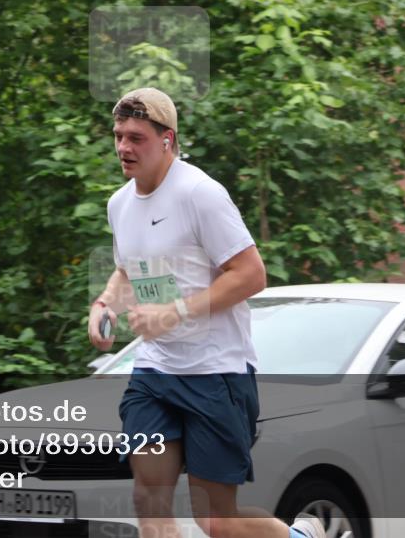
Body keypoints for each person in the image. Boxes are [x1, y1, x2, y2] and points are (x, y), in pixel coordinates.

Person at [88, 88, 326, 538]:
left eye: (136, 137)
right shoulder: (119, 204)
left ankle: (299, 536)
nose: (123, 147)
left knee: (217, 521)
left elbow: (251, 274)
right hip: (155, 372)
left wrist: (175, 312)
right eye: (118, 136)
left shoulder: (200, 194)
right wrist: (105, 304)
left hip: (216, 372)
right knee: (149, 500)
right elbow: (126, 270)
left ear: (167, 140)